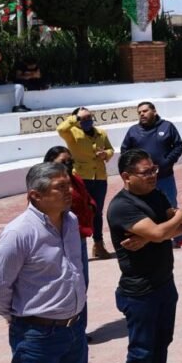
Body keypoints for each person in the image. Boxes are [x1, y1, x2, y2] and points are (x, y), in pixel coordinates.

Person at [0, 162, 87, 363]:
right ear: (35, 195)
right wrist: (18, 317)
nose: (69, 191)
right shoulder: (18, 233)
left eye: (68, 185)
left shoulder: (71, 221)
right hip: (37, 335)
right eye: (60, 187)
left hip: (74, 328)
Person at [108, 149, 182, 363]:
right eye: (146, 172)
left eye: (154, 170)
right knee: (139, 353)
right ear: (126, 176)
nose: (153, 176)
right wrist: (177, 216)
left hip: (164, 283)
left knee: (161, 342)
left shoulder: (156, 194)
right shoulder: (122, 206)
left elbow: (177, 230)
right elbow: (167, 227)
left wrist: (151, 236)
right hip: (140, 293)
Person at [121, 102, 182, 249]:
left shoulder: (167, 127)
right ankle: (153, 238)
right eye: (139, 112)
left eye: (145, 111)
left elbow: (178, 145)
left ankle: (179, 238)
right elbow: (125, 151)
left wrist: (167, 161)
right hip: (143, 180)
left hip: (165, 177)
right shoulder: (133, 131)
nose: (142, 114)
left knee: (170, 206)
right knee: (146, 208)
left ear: (154, 111)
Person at [57, 106, 114, 260]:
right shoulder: (71, 133)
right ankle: (75, 244)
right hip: (81, 177)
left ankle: (98, 244)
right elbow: (60, 129)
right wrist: (77, 118)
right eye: (84, 118)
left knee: (97, 211)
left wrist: (105, 154)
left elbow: (110, 149)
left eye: (89, 117)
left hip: (99, 177)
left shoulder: (101, 133)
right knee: (77, 211)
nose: (88, 120)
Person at [43, 146, 96, 285]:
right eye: (63, 161)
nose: (68, 164)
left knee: (83, 281)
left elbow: (87, 197)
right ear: (50, 163)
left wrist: (91, 208)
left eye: (70, 161)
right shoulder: (44, 186)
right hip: (61, 239)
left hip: (79, 236)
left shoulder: (76, 179)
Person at [0, 48, 28, 112]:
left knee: (21, 86)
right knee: (19, 87)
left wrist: (5, 83)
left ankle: (21, 105)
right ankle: (16, 107)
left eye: (0, 55)